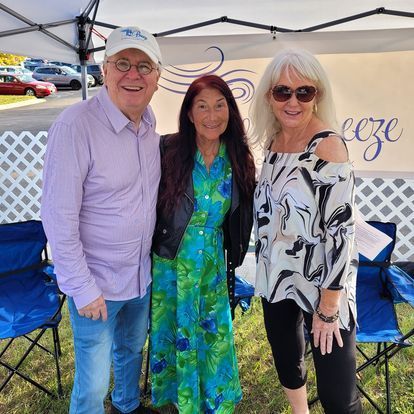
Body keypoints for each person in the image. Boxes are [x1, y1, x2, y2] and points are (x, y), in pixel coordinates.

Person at [41, 26, 162, 414]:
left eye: (144, 66)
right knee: (92, 383)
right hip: (97, 286)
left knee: (131, 352)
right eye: (123, 63)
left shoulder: (149, 123)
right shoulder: (75, 126)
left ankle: (127, 406)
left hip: (140, 278)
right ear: (104, 70)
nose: (134, 74)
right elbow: (58, 218)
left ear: (158, 79)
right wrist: (82, 287)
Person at [250, 49, 362, 414]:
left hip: (324, 284)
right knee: (288, 362)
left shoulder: (327, 147)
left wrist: (329, 308)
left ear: (318, 95)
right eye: (283, 91)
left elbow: (341, 233)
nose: (293, 101)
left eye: (304, 92)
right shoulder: (273, 143)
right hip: (277, 276)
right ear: (269, 96)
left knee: (337, 394)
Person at [150, 74, 256, 413]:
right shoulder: (169, 150)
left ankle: (216, 402)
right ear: (190, 114)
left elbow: (244, 213)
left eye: (220, 105)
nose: (212, 115)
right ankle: (180, 401)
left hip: (211, 263)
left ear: (231, 109)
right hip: (172, 263)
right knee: (174, 332)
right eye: (202, 106)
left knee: (214, 336)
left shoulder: (237, 157)